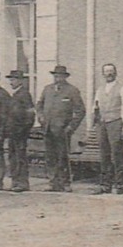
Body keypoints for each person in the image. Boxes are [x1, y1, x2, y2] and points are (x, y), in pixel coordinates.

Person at [37, 64, 86, 192]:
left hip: (63, 131)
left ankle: (65, 182)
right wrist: (41, 117)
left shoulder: (72, 91)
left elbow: (81, 111)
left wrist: (71, 127)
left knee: (62, 156)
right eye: (55, 76)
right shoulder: (47, 89)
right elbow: (39, 105)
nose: (57, 78)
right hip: (48, 128)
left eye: (60, 76)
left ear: (65, 77)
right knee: (50, 156)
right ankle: (53, 182)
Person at [90, 63, 123, 194]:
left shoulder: (122, 89)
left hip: (115, 123)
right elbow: (95, 106)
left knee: (117, 154)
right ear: (103, 74)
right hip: (102, 124)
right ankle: (105, 184)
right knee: (104, 155)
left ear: (115, 73)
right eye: (106, 72)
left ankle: (119, 184)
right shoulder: (100, 89)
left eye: (111, 71)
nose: (109, 74)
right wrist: (95, 119)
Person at [4, 70, 36, 192]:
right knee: (12, 157)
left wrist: (24, 130)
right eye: (10, 80)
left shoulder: (25, 95)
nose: (11, 82)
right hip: (12, 132)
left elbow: (30, 114)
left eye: (13, 80)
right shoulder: (14, 95)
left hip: (20, 132)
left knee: (20, 157)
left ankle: (23, 183)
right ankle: (15, 182)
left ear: (20, 81)